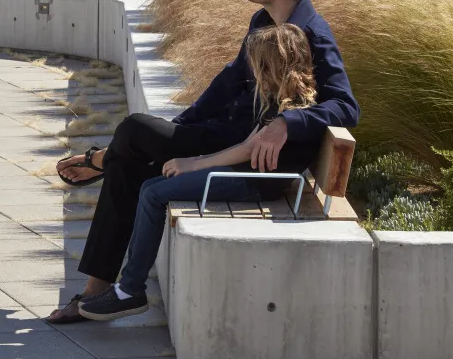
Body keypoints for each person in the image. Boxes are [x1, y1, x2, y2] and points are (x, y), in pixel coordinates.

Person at [46, 0, 360, 324]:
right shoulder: (263, 21)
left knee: (131, 130)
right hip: (226, 136)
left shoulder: (313, 34)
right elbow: (227, 82)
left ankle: (100, 161)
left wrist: (286, 122)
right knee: (128, 163)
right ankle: (97, 291)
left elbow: (346, 106)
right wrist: (178, 127)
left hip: (247, 155)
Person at [80, 23, 317, 321]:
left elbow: (246, 150)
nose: (254, 74)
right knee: (151, 185)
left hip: (251, 183)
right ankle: (128, 287)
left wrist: (193, 163)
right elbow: (247, 145)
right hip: (249, 175)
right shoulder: (289, 101)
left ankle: (130, 290)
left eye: (258, 66)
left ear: (271, 67)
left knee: (152, 192)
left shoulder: (290, 110)